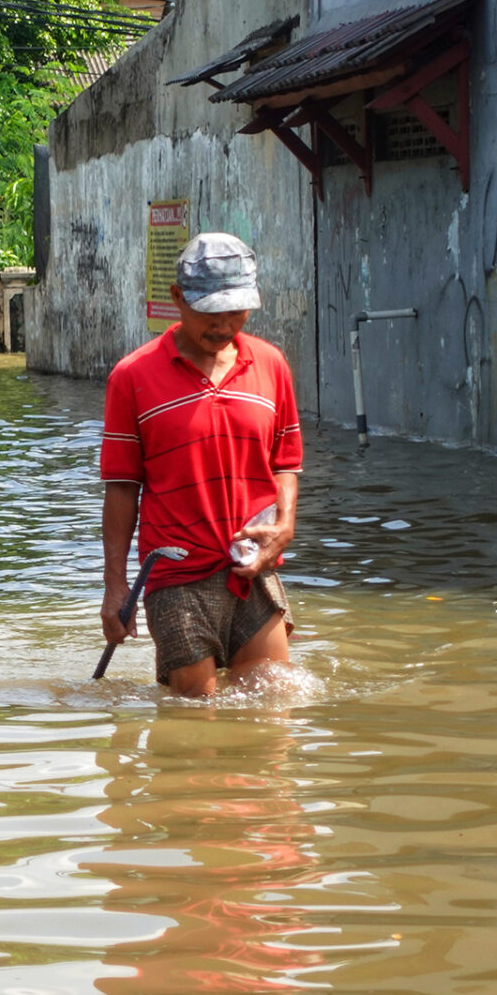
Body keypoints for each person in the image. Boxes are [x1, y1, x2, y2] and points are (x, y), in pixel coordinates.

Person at [99, 233, 304, 698]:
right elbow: (121, 487)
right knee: (195, 723)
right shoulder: (132, 376)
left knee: (275, 713)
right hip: (176, 576)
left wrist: (284, 527)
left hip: (252, 569)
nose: (223, 324)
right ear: (177, 299)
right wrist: (116, 588)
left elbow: (287, 460)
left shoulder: (270, 365)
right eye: (210, 311)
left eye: (236, 310)